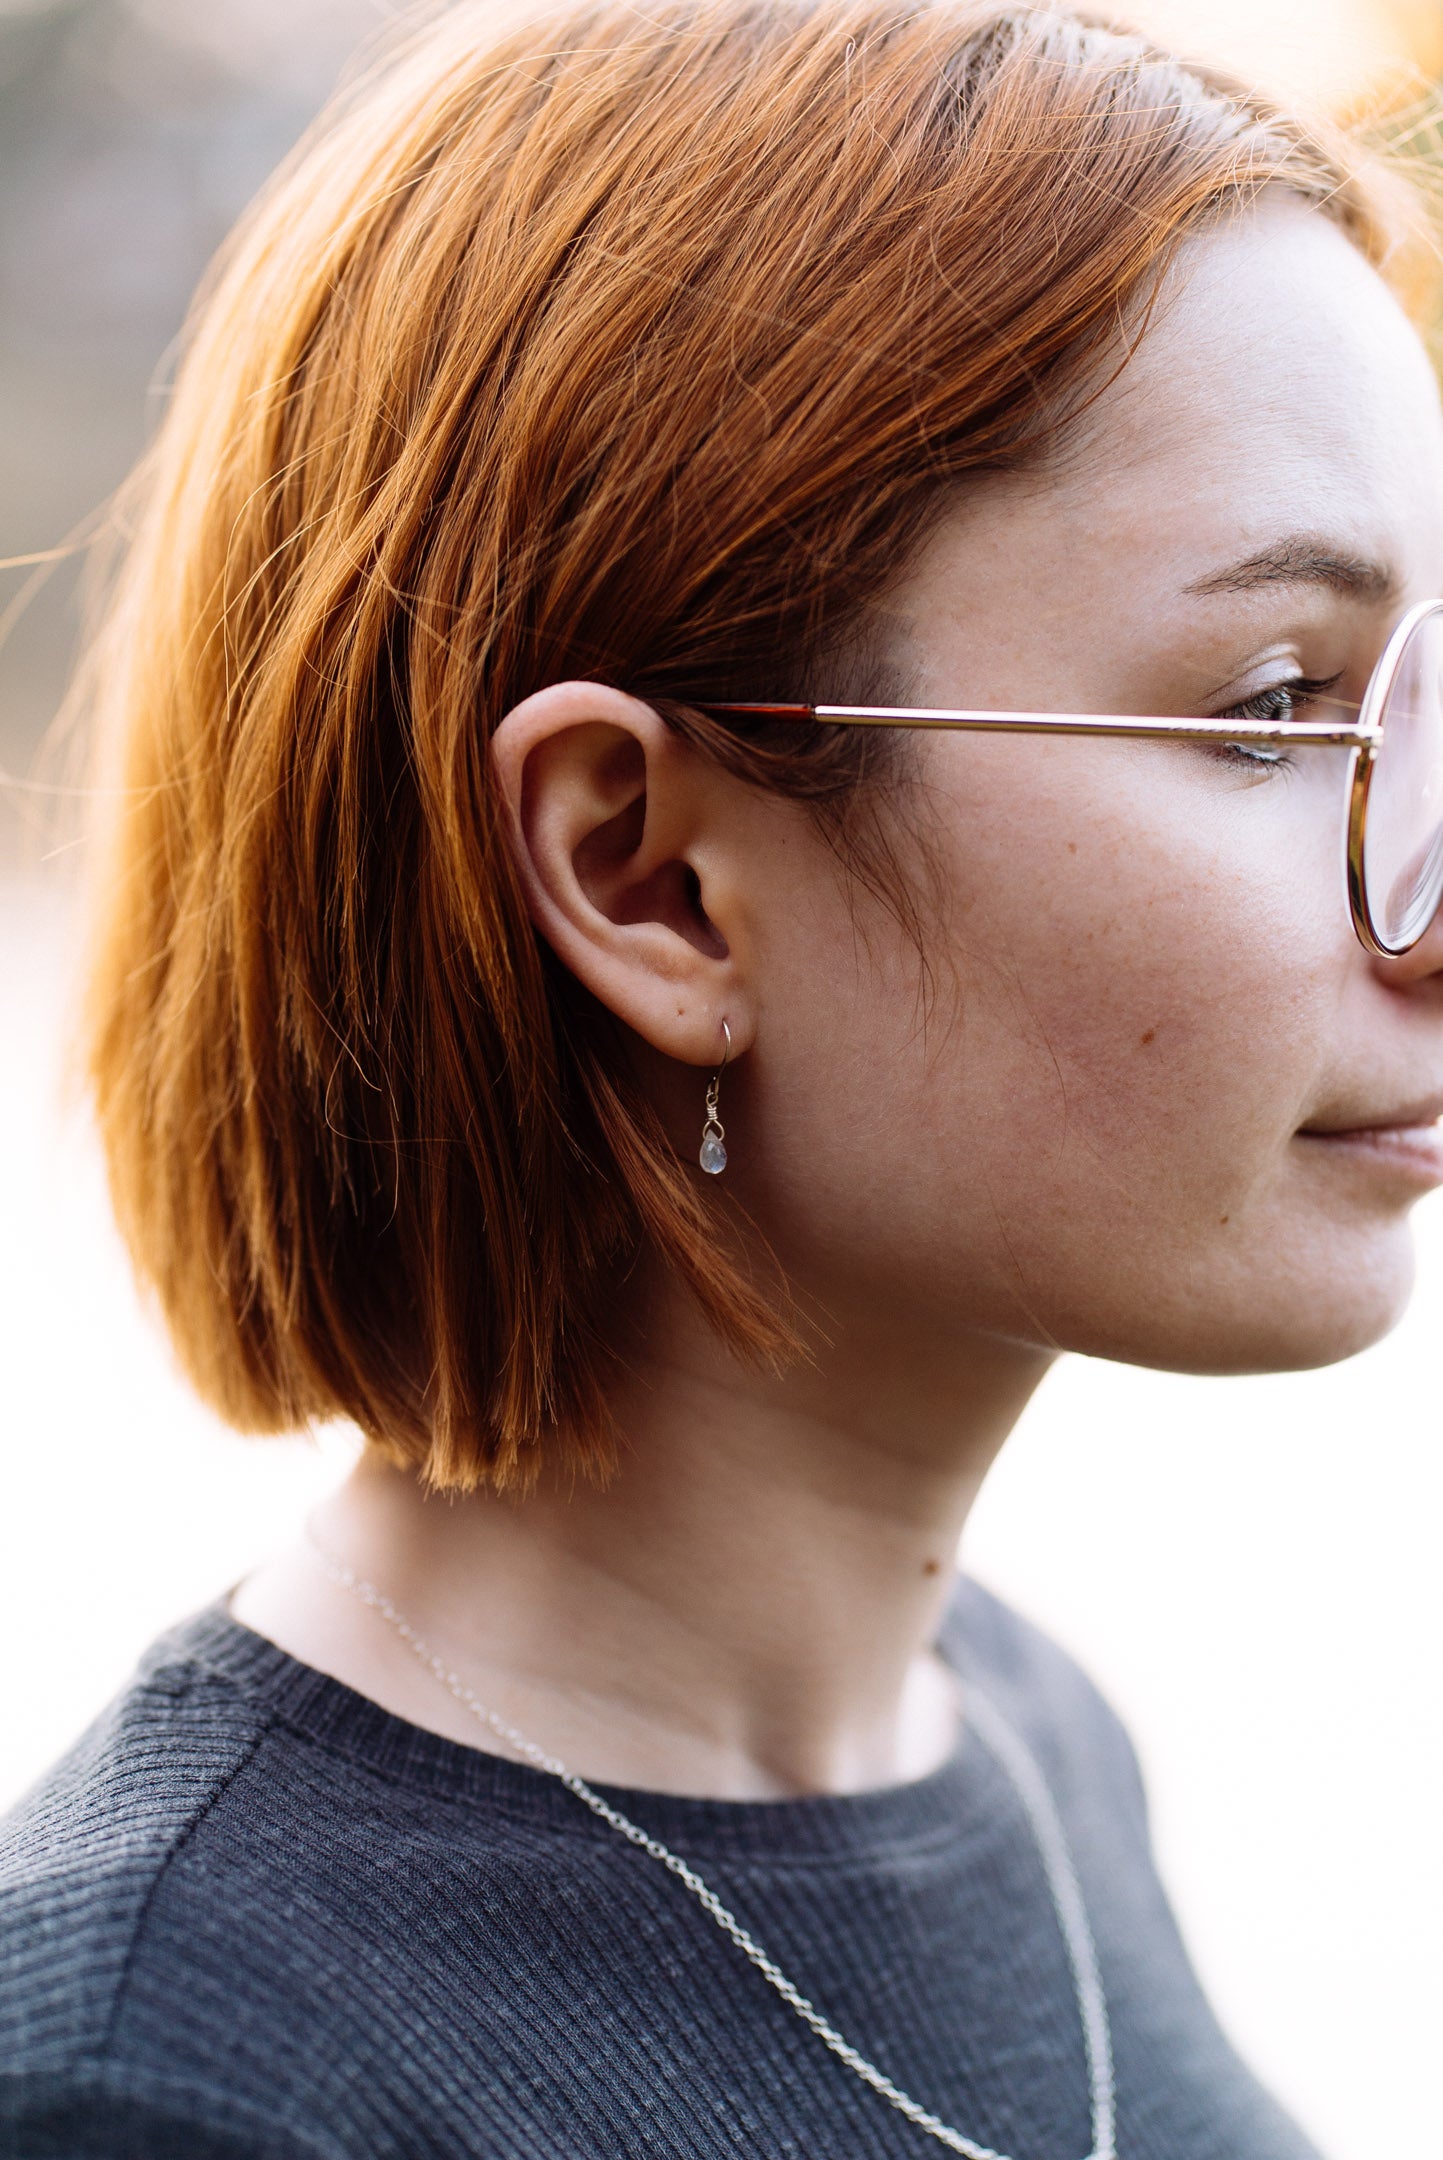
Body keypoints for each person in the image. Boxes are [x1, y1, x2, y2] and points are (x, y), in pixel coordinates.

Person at [3, 1, 1442, 2153]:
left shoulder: (1015, 1739)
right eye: (1271, 708)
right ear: (648, 876)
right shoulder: (169, 2084)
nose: (1417, 902)